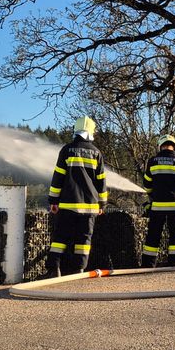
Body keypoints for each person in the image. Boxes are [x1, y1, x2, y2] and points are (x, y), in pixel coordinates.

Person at [46, 115, 108, 277]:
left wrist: (53, 200)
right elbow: (101, 182)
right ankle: (79, 271)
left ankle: (55, 270)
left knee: (60, 238)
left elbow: (58, 177)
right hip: (90, 207)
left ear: (76, 131)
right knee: (84, 240)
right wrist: (102, 204)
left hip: (67, 204)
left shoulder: (66, 150)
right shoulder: (96, 153)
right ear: (90, 132)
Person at [142, 134, 175, 267]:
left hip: (157, 206)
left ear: (160, 145)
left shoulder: (153, 161)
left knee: (153, 235)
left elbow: (147, 184)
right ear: (174, 147)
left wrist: (151, 195)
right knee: (174, 237)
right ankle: (174, 265)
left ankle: (148, 265)